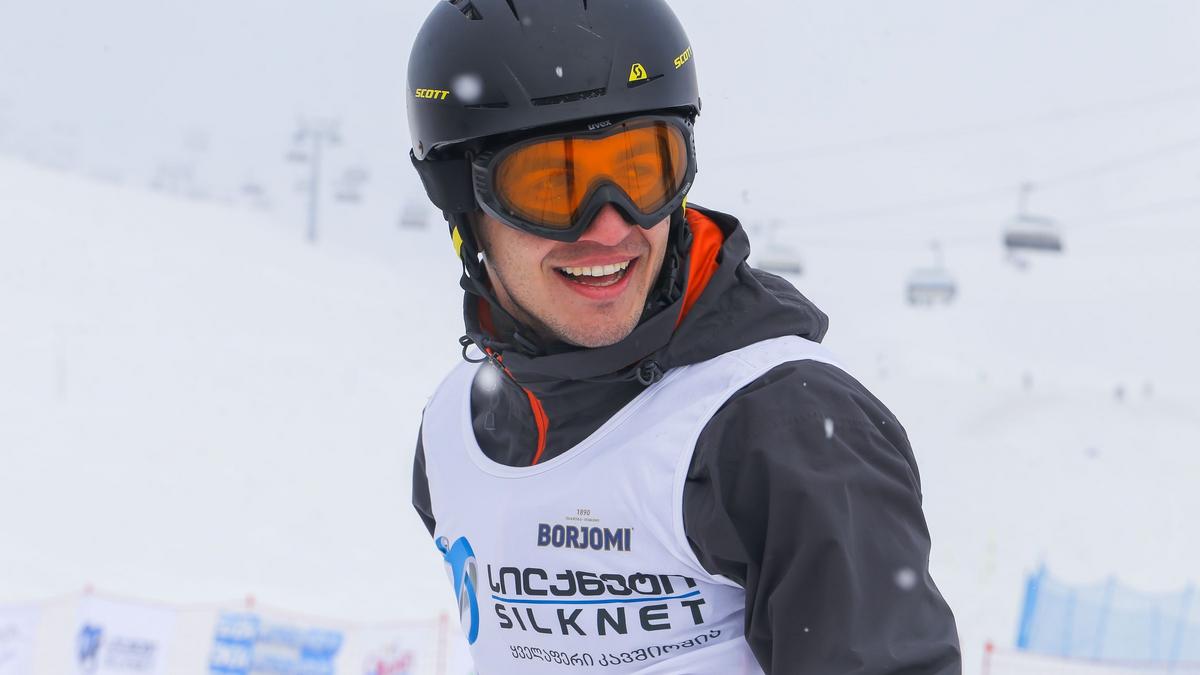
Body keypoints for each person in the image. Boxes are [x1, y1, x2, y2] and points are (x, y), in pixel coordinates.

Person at [406, 1, 961, 672]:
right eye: (551, 187)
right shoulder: (460, 431)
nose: (609, 227)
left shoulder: (778, 426)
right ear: (463, 206)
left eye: (641, 173)